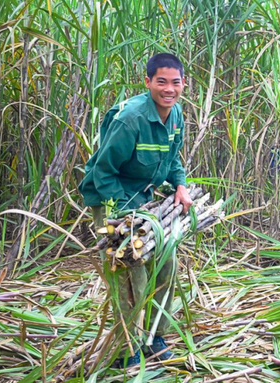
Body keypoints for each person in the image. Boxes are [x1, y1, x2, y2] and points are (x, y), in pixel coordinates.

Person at [79, 53, 192, 367]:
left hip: (143, 201)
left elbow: (172, 161)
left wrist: (180, 185)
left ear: (183, 84)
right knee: (131, 275)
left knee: (167, 266)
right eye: (161, 82)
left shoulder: (176, 114)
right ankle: (126, 348)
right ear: (148, 82)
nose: (169, 89)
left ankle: (155, 336)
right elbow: (103, 171)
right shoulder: (131, 119)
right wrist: (125, 218)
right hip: (111, 198)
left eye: (175, 82)